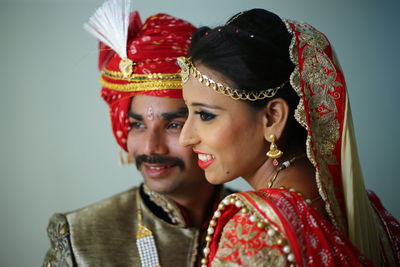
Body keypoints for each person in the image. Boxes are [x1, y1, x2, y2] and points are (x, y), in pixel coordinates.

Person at [178, 8, 400, 267]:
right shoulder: (368, 211)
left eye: (205, 115)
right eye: (187, 113)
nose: (186, 137)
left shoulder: (257, 231)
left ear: (272, 118)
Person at [42, 1, 233, 266]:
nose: (151, 148)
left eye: (173, 125)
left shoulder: (260, 221)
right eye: (137, 125)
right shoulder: (80, 236)